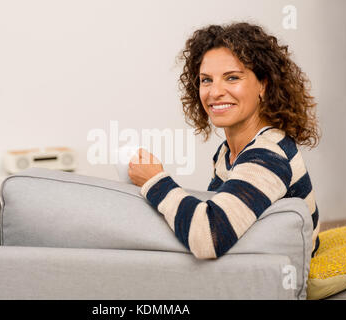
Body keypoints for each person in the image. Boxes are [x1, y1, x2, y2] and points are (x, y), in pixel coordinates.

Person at [128, 22, 321, 259]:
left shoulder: (268, 155)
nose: (215, 92)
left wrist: (155, 181)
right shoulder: (227, 153)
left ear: (263, 84)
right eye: (206, 80)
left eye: (231, 78)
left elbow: (208, 237)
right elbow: (216, 210)